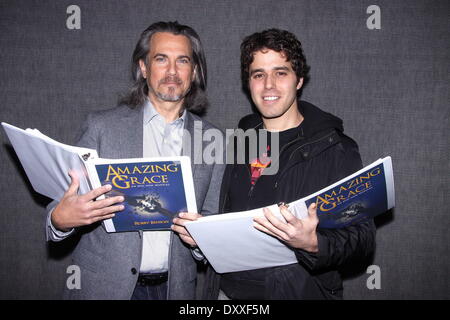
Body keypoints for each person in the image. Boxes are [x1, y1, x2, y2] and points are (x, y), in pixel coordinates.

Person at [179, 28, 376, 299]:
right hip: (225, 294)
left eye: (280, 73)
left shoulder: (335, 148)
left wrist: (313, 243)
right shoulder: (242, 140)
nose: (268, 85)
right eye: (258, 75)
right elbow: (234, 222)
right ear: (248, 83)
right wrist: (205, 235)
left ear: (299, 80)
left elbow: (362, 240)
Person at [46, 21, 224, 300]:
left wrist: (201, 240)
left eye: (183, 61)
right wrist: (60, 220)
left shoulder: (212, 139)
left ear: (195, 72)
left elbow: (213, 219)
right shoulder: (101, 127)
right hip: (103, 289)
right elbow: (61, 202)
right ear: (143, 67)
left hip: (174, 291)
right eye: (161, 59)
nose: (172, 71)